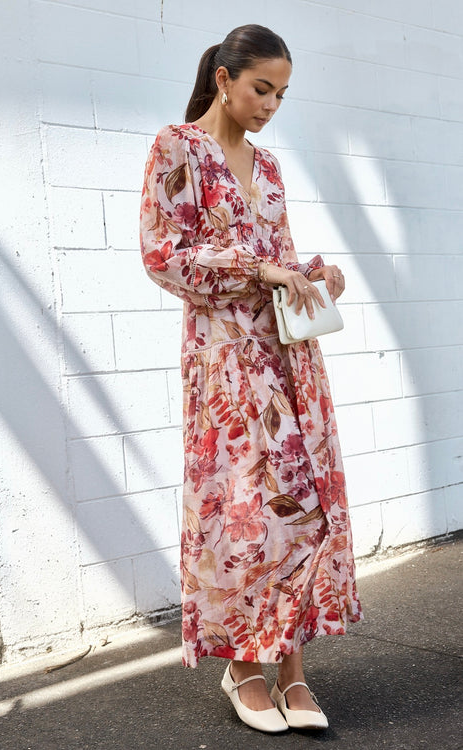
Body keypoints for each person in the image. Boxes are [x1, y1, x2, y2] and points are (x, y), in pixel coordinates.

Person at [140, 24, 363, 734]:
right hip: (226, 359)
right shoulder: (177, 147)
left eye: (282, 94)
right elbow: (162, 255)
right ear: (224, 79)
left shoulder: (267, 168)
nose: (271, 104)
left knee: (303, 502)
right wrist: (257, 272)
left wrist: (311, 274)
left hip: (289, 355)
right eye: (261, 88)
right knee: (245, 512)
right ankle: (243, 664)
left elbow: (281, 254)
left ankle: (294, 670)